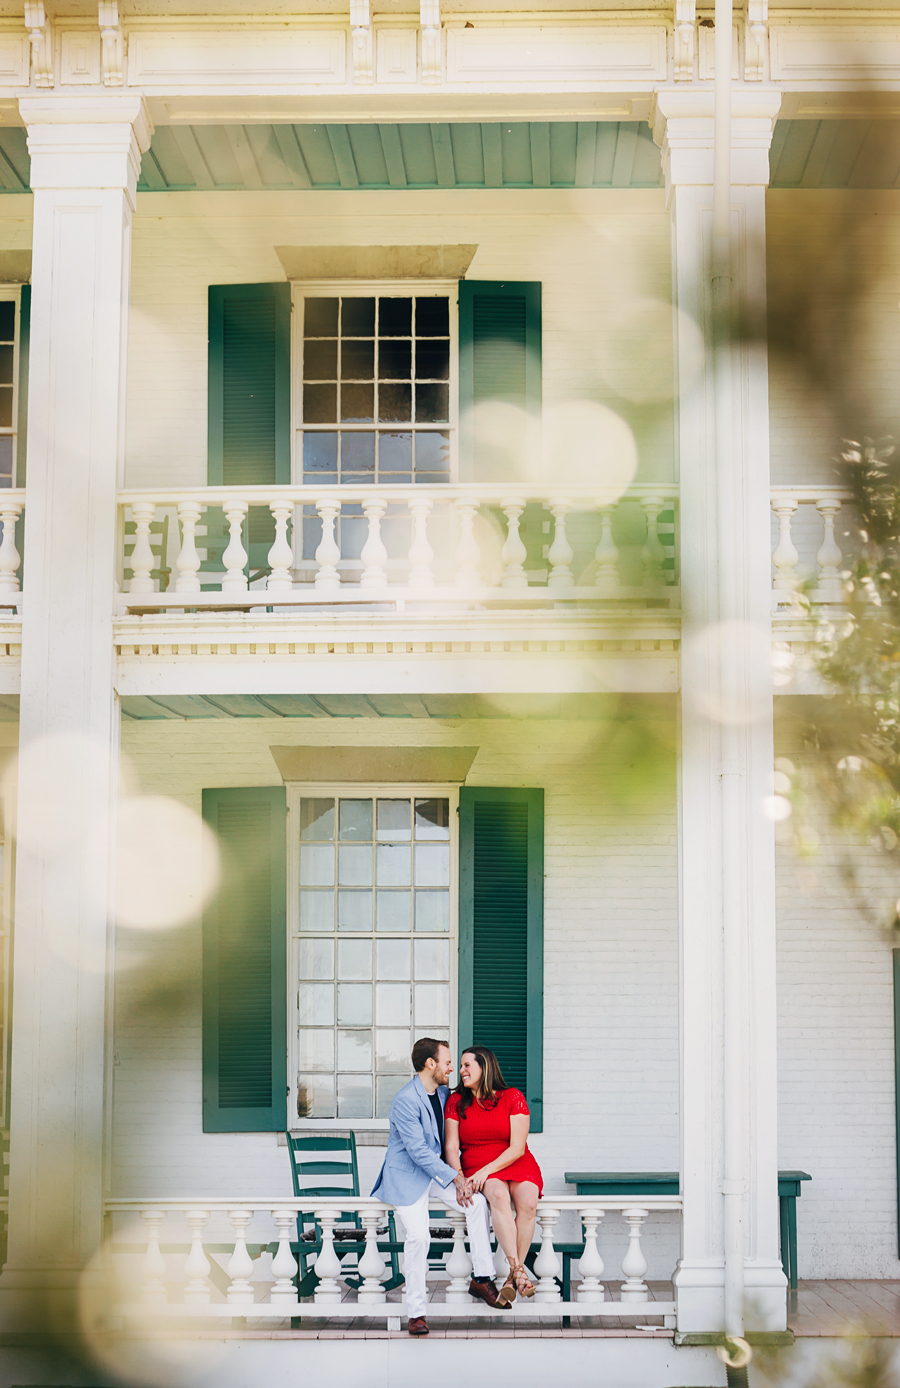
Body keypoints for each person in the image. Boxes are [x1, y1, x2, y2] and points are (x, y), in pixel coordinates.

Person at [371, 1036, 501, 1335]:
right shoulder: (405, 1100)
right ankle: (416, 1313)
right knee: (419, 1237)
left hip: (435, 1175)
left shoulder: (443, 1094)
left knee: (478, 1203)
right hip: (407, 1175)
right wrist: (456, 1177)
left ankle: (482, 1277)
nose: (452, 1068)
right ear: (430, 1064)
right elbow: (417, 1151)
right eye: (447, 1062)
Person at [444, 1045, 543, 1307]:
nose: (461, 1071)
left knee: (529, 1203)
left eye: (467, 1065)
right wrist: (461, 1178)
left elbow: (517, 1147)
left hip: (514, 1160)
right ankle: (519, 1271)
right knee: (498, 1195)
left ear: (484, 1067)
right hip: (476, 1161)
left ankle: (513, 1277)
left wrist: (487, 1170)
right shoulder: (456, 1102)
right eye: (460, 1065)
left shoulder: (512, 1097)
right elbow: (451, 1147)